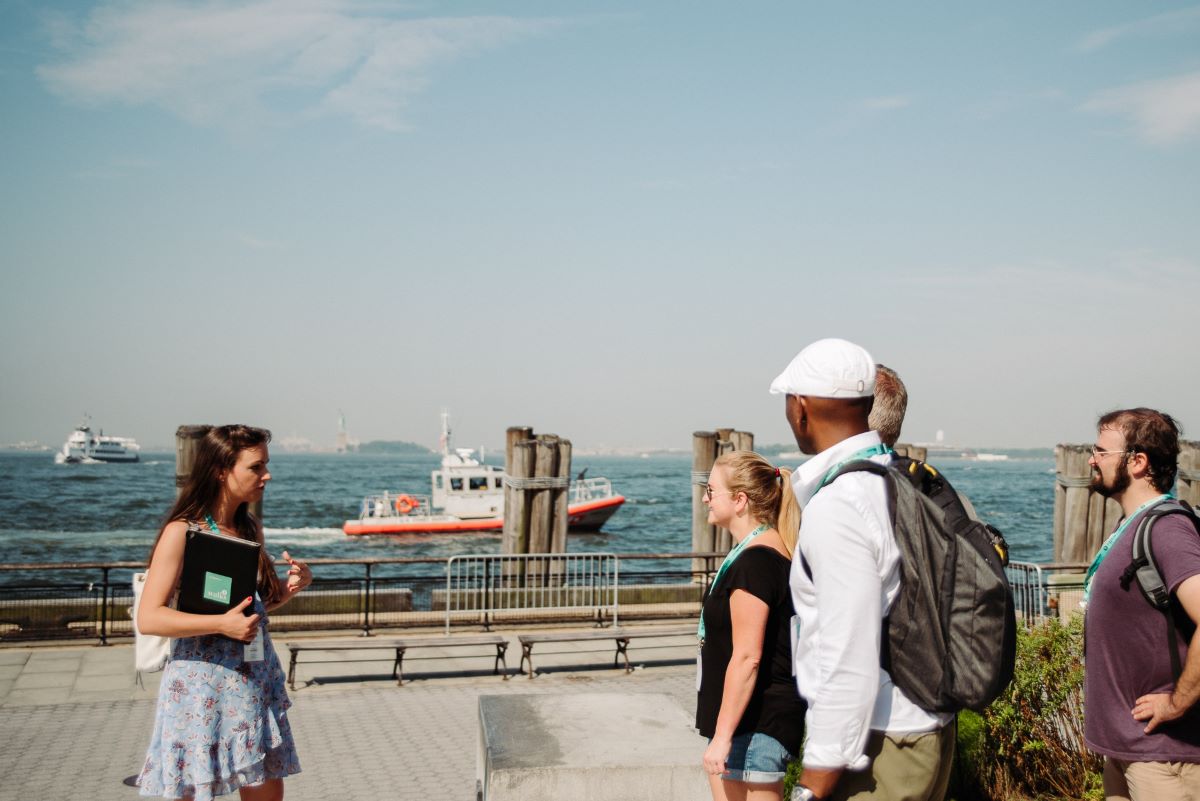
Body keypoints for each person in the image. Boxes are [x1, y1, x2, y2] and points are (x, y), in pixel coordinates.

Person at [771, 339, 954, 801]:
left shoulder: (840, 503)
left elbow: (847, 653)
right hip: (924, 726)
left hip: (879, 743)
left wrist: (814, 781)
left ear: (801, 407)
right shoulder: (897, 478)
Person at [136, 425, 312, 801]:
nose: (267, 475)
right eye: (256, 467)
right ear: (221, 470)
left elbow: (247, 611)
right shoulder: (182, 532)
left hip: (252, 683)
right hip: (201, 689)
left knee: (266, 791)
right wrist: (221, 624)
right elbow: (149, 617)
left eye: (266, 464)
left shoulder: (249, 528)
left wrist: (286, 591)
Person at [1083, 408, 1200, 801]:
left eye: (1101, 452)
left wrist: (1178, 702)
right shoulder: (1129, 525)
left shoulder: (1167, 529)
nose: (1091, 460)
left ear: (1137, 461)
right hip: (1125, 751)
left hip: (1164, 760)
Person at [697, 450, 806, 801]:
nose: (704, 499)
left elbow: (748, 658)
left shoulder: (756, 562)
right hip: (743, 723)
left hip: (753, 724)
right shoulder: (758, 554)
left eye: (711, 491)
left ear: (740, 500)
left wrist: (723, 736)